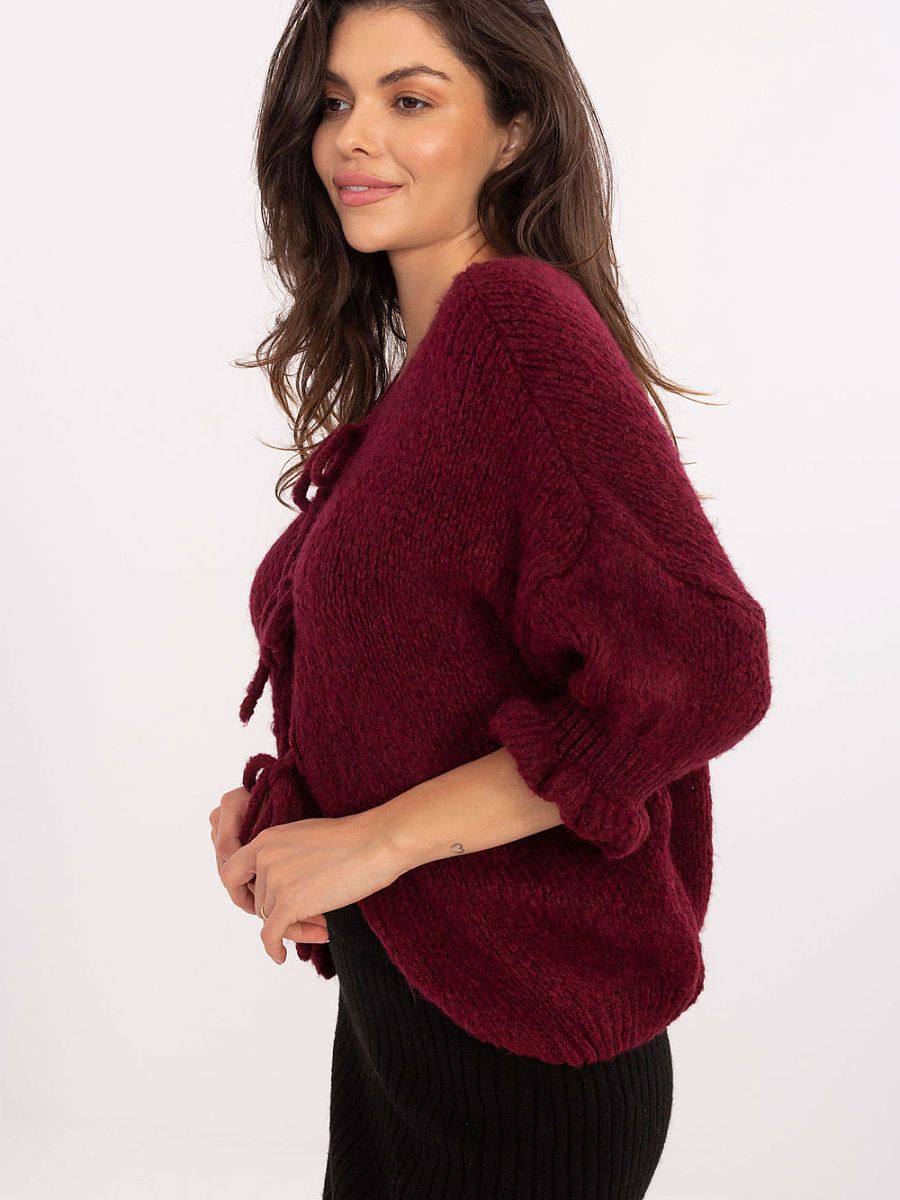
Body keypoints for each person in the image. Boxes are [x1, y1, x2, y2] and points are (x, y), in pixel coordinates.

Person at [209, 3, 773, 1197]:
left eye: (409, 100)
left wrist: (373, 842)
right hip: (411, 1033)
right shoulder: (433, 378)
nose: (354, 137)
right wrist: (294, 827)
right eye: (334, 102)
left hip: (521, 1067)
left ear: (513, 130)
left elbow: (705, 663)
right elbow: (440, 687)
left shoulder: (515, 330)